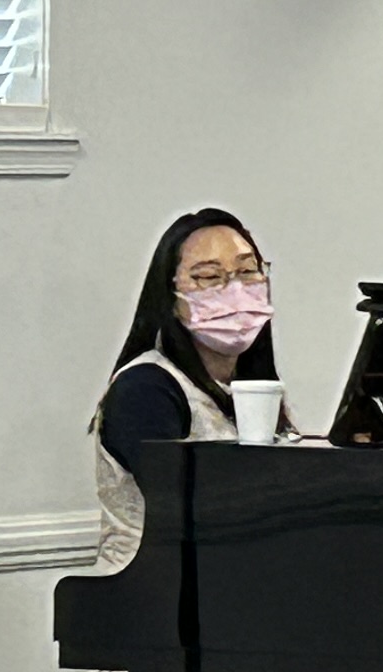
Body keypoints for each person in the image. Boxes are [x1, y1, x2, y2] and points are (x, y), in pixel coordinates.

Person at [92, 209, 286, 573]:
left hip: (231, 581)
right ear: (171, 297)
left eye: (248, 271)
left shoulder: (249, 387)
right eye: (209, 277)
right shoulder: (145, 388)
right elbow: (185, 506)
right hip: (151, 588)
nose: (235, 290)